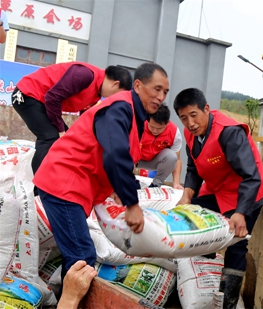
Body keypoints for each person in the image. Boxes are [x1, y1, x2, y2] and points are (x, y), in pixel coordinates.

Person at [33, 63, 169, 281]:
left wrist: (117, 187)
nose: (161, 96)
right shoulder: (120, 107)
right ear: (138, 85)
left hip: (74, 187)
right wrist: (131, 204)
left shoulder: (135, 116)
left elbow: (119, 155)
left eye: (165, 92)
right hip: (63, 184)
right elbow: (115, 154)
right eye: (157, 89)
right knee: (82, 258)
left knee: (79, 257)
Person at [173, 87, 263, 309]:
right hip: (219, 189)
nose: (190, 123)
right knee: (193, 212)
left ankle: (228, 301)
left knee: (236, 242)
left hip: (248, 192)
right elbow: (193, 168)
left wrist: (241, 213)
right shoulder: (191, 134)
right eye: (184, 118)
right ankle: (207, 255)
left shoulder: (229, 133)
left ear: (206, 109)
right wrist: (187, 196)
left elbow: (251, 176)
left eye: (194, 115)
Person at [12, 62, 132, 174]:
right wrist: (60, 130)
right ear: (115, 84)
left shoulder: (96, 93)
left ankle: (55, 178)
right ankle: (39, 189)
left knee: (67, 140)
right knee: (50, 137)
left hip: (43, 102)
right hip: (27, 94)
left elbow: (88, 119)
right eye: (118, 94)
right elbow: (52, 97)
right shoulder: (85, 75)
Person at [138, 103, 184, 189]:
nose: (155, 131)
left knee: (172, 156)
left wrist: (176, 183)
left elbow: (177, 160)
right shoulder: (139, 125)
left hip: (155, 161)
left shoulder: (174, 132)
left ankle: (156, 184)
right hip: (136, 159)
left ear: (167, 123)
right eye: (151, 127)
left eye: (159, 128)